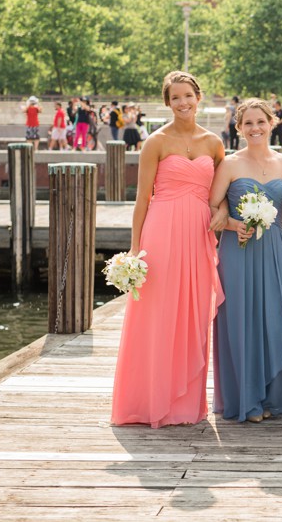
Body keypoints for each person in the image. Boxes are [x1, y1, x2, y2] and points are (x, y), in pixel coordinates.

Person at [111, 70, 225, 427]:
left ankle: (185, 403)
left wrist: (220, 213)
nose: (183, 103)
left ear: (198, 97)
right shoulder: (156, 142)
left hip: (197, 234)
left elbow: (221, 195)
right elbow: (142, 198)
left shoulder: (214, 143)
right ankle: (147, 401)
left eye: (188, 96)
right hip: (160, 233)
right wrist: (135, 248)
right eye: (175, 98)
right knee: (157, 314)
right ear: (167, 102)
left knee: (192, 311)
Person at [208, 99, 282, 423]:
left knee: (272, 317)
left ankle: (273, 396)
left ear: (272, 123)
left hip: (272, 250)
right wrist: (232, 223)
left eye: (261, 121)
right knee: (240, 319)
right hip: (238, 250)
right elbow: (211, 207)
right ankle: (247, 399)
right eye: (248, 123)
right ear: (238, 127)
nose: (255, 128)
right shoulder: (230, 164)